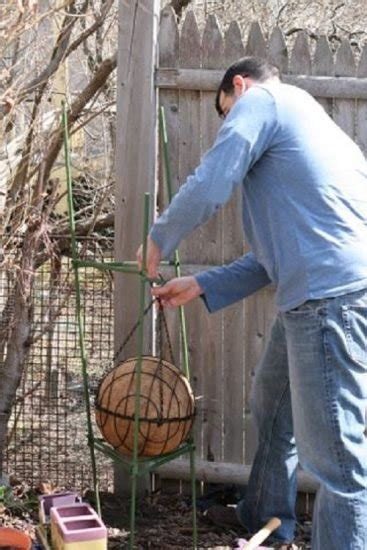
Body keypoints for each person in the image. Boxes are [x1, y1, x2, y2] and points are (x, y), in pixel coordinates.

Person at [136, 57, 367, 550]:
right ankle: (266, 516)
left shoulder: (262, 100)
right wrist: (201, 284)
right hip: (316, 295)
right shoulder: (307, 118)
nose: (228, 122)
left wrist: (160, 238)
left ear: (237, 86)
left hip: (330, 302)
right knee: (272, 402)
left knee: (340, 466)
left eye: (225, 111)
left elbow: (212, 180)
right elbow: (272, 257)